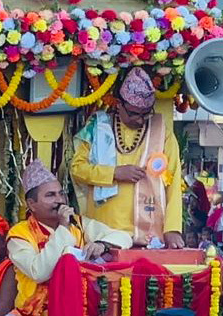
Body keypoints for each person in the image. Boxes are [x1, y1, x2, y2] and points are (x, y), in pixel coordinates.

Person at [0, 161, 131, 316]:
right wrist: (63, 229)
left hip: (77, 311)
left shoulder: (80, 224)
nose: (59, 200)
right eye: (50, 196)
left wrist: (103, 244)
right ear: (32, 204)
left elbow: (123, 237)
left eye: (61, 194)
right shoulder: (19, 235)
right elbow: (39, 271)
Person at [68, 68, 184, 249]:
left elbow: (174, 182)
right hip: (102, 231)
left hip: (148, 234)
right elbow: (77, 169)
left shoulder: (162, 133)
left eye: (145, 113)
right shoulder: (97, 127)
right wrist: (114, 173)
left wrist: (173, 229)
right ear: (119, 105)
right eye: (133, 113)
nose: (139, 120)